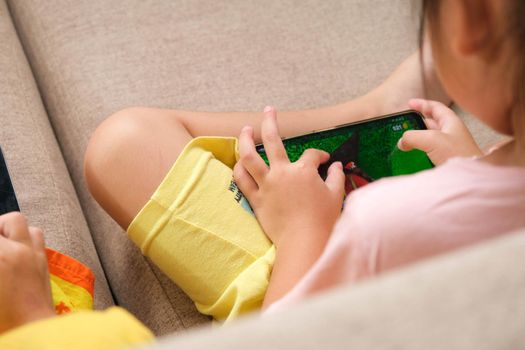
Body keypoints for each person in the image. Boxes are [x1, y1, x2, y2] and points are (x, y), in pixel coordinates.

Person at [2, 0, 524, 347]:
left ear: (471, 21)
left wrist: (302, 230)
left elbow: (285, 338)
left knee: (124, 145)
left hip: (299, 303)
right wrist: (471, 171)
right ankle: (373, 110)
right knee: (127, 143)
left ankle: (370, 111)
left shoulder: (382, 221)